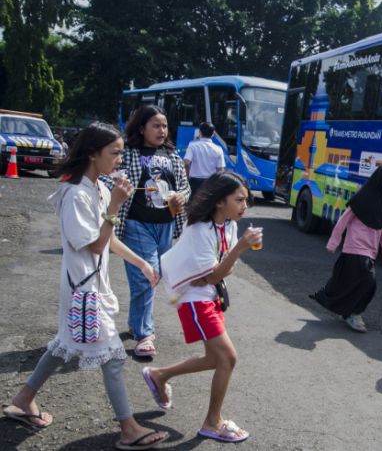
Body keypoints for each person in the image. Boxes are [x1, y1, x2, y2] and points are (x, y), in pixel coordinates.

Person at [2, 123, 169, 450]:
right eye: (115, 153)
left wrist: (143, 263)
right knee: (113, 357)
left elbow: (109, 242)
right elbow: (94, 245)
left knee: (62, 344)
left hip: (90, 286)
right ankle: (129, 428)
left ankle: (23, 400)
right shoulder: (76, 192)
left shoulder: (98, 187)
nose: (120, 160)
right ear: (93, 153)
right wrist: (113, 208)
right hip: (82, 289)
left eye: (121, 152)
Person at [143, 171, 262, 443]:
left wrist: (222, 266)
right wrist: (239, 250)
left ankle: (159, 375)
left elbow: (220, 272)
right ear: (220, 202)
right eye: (239, 200)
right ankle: (212, 422)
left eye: (246, 200)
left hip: (208, 295)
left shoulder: (228, 226)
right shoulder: (199, 230)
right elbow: (216, 274)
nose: (245, 205)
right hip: (194, 300)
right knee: (228, 358)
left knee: (214, 359)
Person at [106, 105, 190, 358]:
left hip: (166, 226)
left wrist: (181, 197)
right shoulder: (129, 153)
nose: (162, 130)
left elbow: (185, 188)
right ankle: (145, 335)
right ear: (141, 128)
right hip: (136, 224)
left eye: (164, 125)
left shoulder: (173, 156)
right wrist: (119, 185)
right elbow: (111, 177)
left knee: (151, 277)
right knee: (147, 276)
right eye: (156, 125)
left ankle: (135, 324)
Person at [310, 163, 382, 333]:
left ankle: (349, 311)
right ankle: (355, 313)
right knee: (368, 280)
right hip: (355, 247)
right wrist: (333, 242)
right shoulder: (362, 197)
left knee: (357, 283)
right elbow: (343, 221)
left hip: (371, 251)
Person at [184, 121, 226, 196]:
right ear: (213, 133)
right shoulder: (218, 149)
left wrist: (187, 177)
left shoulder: (192, 146)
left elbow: (186, 163)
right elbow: (221, 170)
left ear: (199, 132)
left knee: (193, 204)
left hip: (194, 182)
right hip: (210, 182)